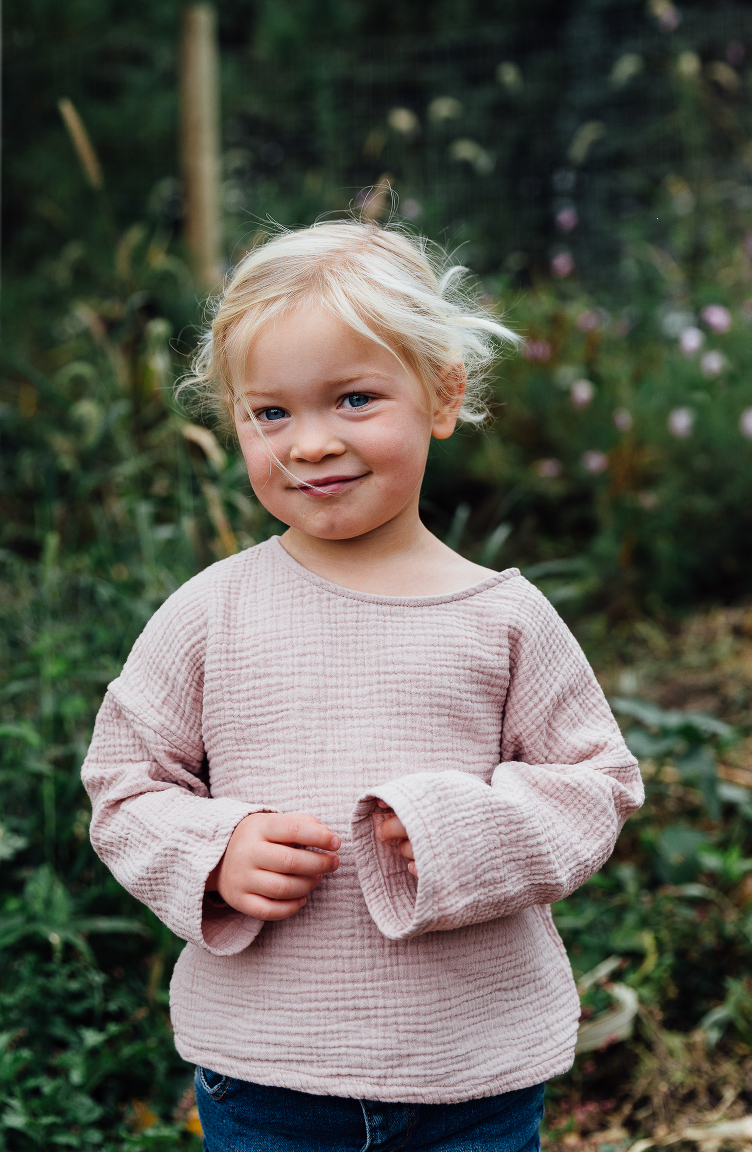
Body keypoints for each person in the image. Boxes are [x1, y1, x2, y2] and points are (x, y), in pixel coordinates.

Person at [81, 220, 643, 1152]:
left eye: (352, 398)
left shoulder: (503, 617)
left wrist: (458, 833)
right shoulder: (210, 612)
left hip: (472, 1075)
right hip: (265, 1075)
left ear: (443, 395)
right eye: (271, 414)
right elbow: (124, 784)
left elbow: (595, 785)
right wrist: (215, 852)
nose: (308, 444)